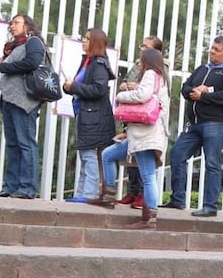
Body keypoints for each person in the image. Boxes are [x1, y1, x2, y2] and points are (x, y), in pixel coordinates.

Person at [163, 36, 223, 216]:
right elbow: (185, 88)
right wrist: (194, 91)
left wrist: (205, 95)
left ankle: (210, 206)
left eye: (217, 49)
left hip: (216, 123)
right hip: (194, 124)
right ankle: (178, 200)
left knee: (212, 163)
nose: (212, 51)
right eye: (212, 48)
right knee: (177, 155)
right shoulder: (201, 69)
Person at [96, 48, 170, 229]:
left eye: (140, 61)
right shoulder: (162, 78)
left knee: (148, 175)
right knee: (108, 155)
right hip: (140, 134)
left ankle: (150, 217)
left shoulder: (151, 74)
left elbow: (141, 96)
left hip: (145, 136)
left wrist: (121, 96)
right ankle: (109, 194)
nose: (139, 64)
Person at [0, 14, 47, 199]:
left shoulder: (34, 42)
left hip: (24, 100)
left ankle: (27, 187)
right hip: (9, 99)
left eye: (17, 22)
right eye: (11, 23)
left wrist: (2, 67)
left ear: (27, 26)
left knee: (26, 143)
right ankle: (11, 186)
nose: (12, 26)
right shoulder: (14, 47)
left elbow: (31, 63)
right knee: (13, 144)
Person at [62, 28, 116, 203]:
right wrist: (68, 87)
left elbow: (98, 89)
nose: (83, 41)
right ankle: (82, 193)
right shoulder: (87, 61)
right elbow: (83, 86)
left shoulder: (99, 64)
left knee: (89, 154)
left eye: (87, 39)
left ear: (95, 43)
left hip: (94, 117)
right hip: (84, 113)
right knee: (85, 155)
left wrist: (75, 87)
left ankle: (89, 194)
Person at [116, 35, 164, 209]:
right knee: (129, 158)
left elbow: (144, 94)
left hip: (146, 126)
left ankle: (147, 206)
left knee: (147, 171)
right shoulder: (138, 66)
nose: (142, 50)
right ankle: (133, 192)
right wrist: (126, 86)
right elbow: (127, 82)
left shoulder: (155, 71)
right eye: (141, 46)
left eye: (146, 47)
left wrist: (126, 93)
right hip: (135, 121)